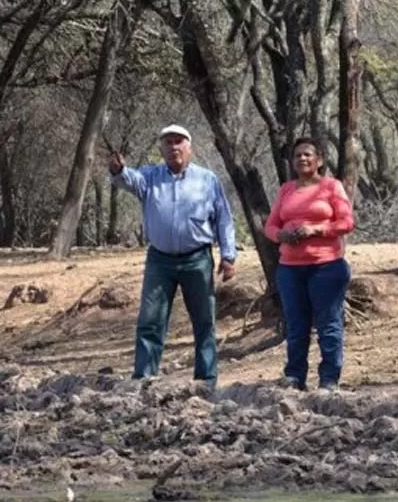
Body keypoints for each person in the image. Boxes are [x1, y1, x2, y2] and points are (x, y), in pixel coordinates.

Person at [108, 124, 237, 389]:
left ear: (189, 147)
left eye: (179, 142)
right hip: (160, 260)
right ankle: (143, 378)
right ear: (161, 149)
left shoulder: (207, 179)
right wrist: (117, 170)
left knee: (204, 321)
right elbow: (127, 179)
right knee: (150, 321)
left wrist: (228, 255)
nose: (174, 147)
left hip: (197, 259)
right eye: (168, 143)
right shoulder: (150, 176)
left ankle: (206, 381)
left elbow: (223, 218)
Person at [264, 138, 355, 392]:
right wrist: (280, 235)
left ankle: (329, 379)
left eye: (307, 155)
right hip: (290, 269)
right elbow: (270, 226)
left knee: (328, 324)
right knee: (296, 324)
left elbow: (346, 223)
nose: (302, 159)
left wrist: (315, 229)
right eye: (297, 156)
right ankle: (295, 376)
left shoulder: (331, 187)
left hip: (326, 267)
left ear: (319, 160)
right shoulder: (286, 190)